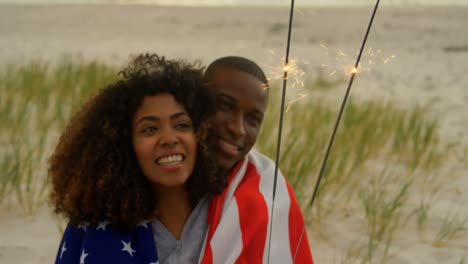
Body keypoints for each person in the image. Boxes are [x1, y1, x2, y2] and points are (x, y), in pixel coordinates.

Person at [49, 54, 226, 264]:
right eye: (149, 129)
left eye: (182, 125)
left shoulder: (230, 211)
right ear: (124, 145)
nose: (169, 139)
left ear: (201, 134)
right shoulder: (93, 230)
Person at [199, 56, 314, 263]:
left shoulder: (269, 194)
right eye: (225, 106)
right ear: (195, 99)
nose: (238, 128)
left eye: (253, 119)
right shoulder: (157, 168)